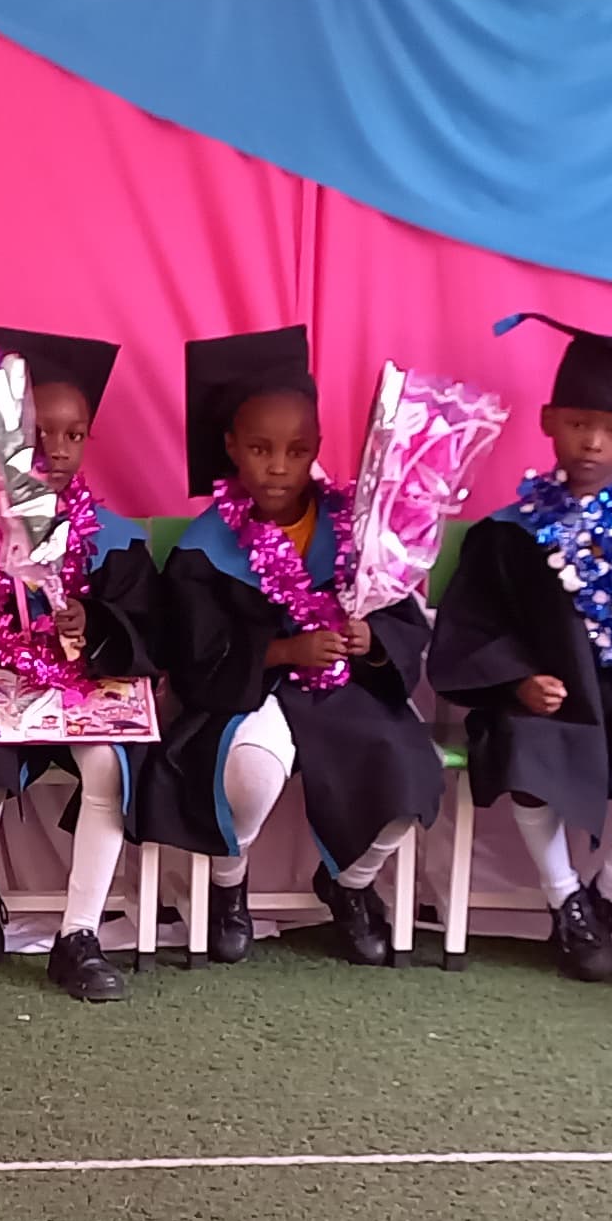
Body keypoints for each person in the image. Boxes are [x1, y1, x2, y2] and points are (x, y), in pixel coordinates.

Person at [429, 312, 612, 981]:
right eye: (578, 424)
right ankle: (565, 900)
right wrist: (516, 680)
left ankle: (607, 898)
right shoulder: (509, 532)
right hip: (545, 695)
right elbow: (476, 626)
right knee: (526, 747)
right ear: (549, 421)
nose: (593, 442)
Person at [134, 326, 440, 967]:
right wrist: (282, 652)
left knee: (406, 771)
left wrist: (371, 640)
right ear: (231, 448)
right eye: (260, 449)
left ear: (317, 450)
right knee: (248, 766)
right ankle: (228, 886)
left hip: (341, 686)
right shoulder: (205, 546)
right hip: (250, 688)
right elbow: (192, 652)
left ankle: (349, 884)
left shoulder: (357, 530)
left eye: (297, 451)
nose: (278, 466)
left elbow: (401, 621)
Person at [0, 325, 162, 1002]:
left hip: (81, 699)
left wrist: (94, 624)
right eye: (39, 433)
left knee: (108, 763)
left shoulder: (114, 542)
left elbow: (145, 634)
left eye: (74, 434)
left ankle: (79, 936)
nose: (58, 449)